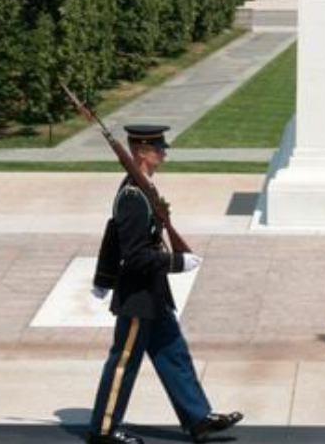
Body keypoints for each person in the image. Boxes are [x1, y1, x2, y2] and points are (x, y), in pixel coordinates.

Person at [87, 124, 242, 444]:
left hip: (153, 293)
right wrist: (176, 262)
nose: (164, 153)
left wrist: (103, 278)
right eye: (158, 149)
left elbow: (114, 236)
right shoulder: (133, 197)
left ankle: (198, 418)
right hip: (138, 295)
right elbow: (133, 254)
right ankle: (103, 429)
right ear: (141, 152)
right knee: (124, 362)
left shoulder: (142, 189)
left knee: (174, 353)